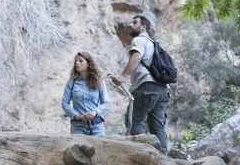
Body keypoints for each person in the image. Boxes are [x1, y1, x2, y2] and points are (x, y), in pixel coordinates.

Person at [111, 14, 169, 154]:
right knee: (157, 127)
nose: (130, 24)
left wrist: (122, 76)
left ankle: (139, 155)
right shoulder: (154, 44)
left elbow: (136, 56)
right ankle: (164, 157)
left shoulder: (139, 40)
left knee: (134, 121)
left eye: (135, 22)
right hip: (163, 90)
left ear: (143, 27)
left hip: (146, 87)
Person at [61, 51, 109, 135]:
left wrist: (94, 112)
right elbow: (65, 103)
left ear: (88, 63)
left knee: (100, 148)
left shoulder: (99, 81)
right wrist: (77, 116)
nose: (77, 63)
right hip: (78, 126)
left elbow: (105, 103)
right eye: (76, 61)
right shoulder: (71, 82)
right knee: (77, 147)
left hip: (97, 126)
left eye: (80, 61)